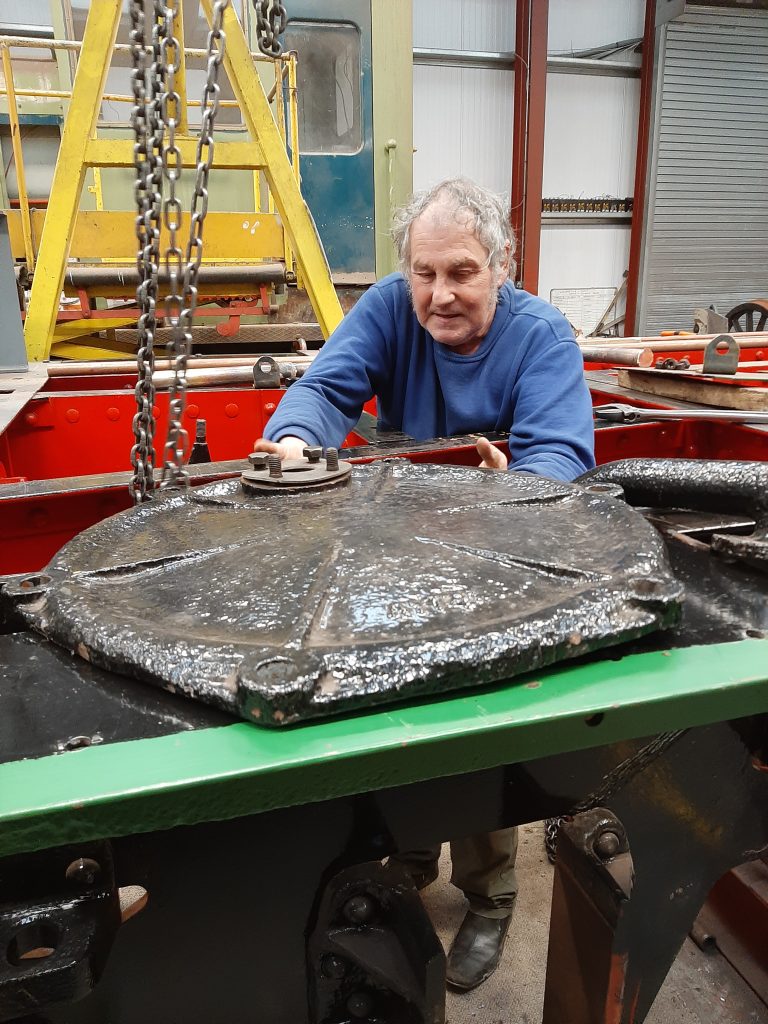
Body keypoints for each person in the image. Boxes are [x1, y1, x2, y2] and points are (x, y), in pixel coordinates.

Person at [254, 177, 595, 990]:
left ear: (501, 267)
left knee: (479, 735)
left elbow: (561, 464)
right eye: (425, 273)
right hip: (393, 557)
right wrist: (296, 440)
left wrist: (508, 495)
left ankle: (490, 894)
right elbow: (322, 390)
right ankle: (406, 857)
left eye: (462, 273)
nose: (440, 295)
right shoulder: (385, 310)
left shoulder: (542, 338)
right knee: (393, 718)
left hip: (496, 568)